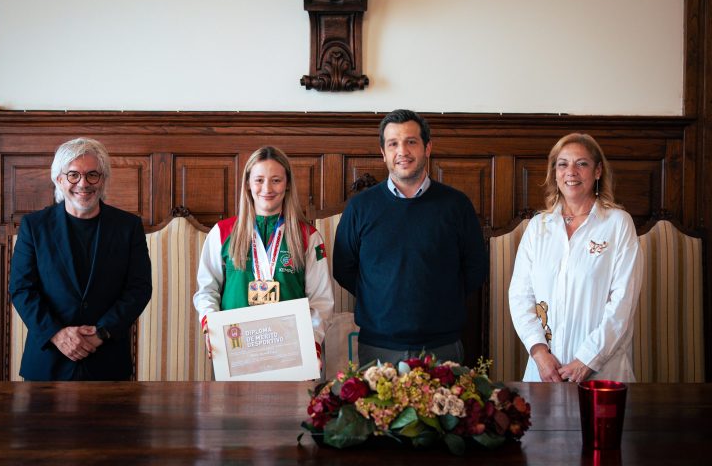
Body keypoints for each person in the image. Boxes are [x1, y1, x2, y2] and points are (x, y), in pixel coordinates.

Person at [332, 109, 488, 366]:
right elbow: (343, 268)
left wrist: (441, 299)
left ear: (427, 148)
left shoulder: (456, 205)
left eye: (411, 142)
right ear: (383, 153)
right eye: (393, 144)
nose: (402, 151)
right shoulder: (360, 208)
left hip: (442, 347)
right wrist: (380, 297)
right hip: (378, 347)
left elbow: (475, 268)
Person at [9, 137, 152, 381]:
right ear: (59, 179)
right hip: (48, 361)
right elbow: (22, 289)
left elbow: (138, 289)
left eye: (92, 175)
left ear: (103, 179)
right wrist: (57, 334)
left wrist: (100, 334)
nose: (83, 183)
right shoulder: (34, 226)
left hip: (107, 360)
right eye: (73, 175)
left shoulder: (128, 227)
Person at [508, 133, 643, 383]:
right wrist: (539, 353)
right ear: (555, 172)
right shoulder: (538, 227)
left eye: (581, 163)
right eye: (563, 164)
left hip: (602, 372)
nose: (571, 171)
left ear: (598, 171)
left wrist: (586, 361)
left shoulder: (618, 224)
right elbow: (520, 297)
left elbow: (623, 302)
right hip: (545, 372)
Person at [193, 146, 333, 362]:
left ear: (287, 185)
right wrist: (211, 327)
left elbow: (321, 302)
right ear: (248, 184)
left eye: (276, 180)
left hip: (292, 350)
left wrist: (311, 343)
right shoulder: (222, 233)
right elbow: (206, 290)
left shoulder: (309, 236)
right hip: (236, 349)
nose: (267, 188)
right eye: (259, 180)